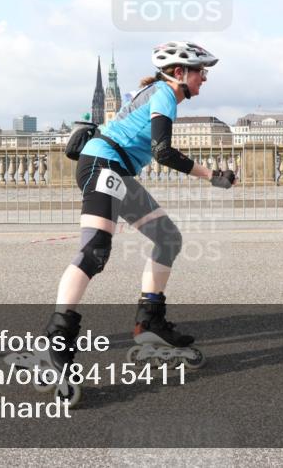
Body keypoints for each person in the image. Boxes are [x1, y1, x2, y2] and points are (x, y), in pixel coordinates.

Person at [42, 41, 237, 382]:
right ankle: (56, 340)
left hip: (115, 169)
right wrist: (212, 176)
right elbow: (163, 152)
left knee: (167, 238)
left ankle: (150, 322)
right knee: (94, 250)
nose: (204, 78)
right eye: (200, 71)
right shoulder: (164, 94)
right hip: (103, 165)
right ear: (180, 73)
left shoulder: (159, 92)